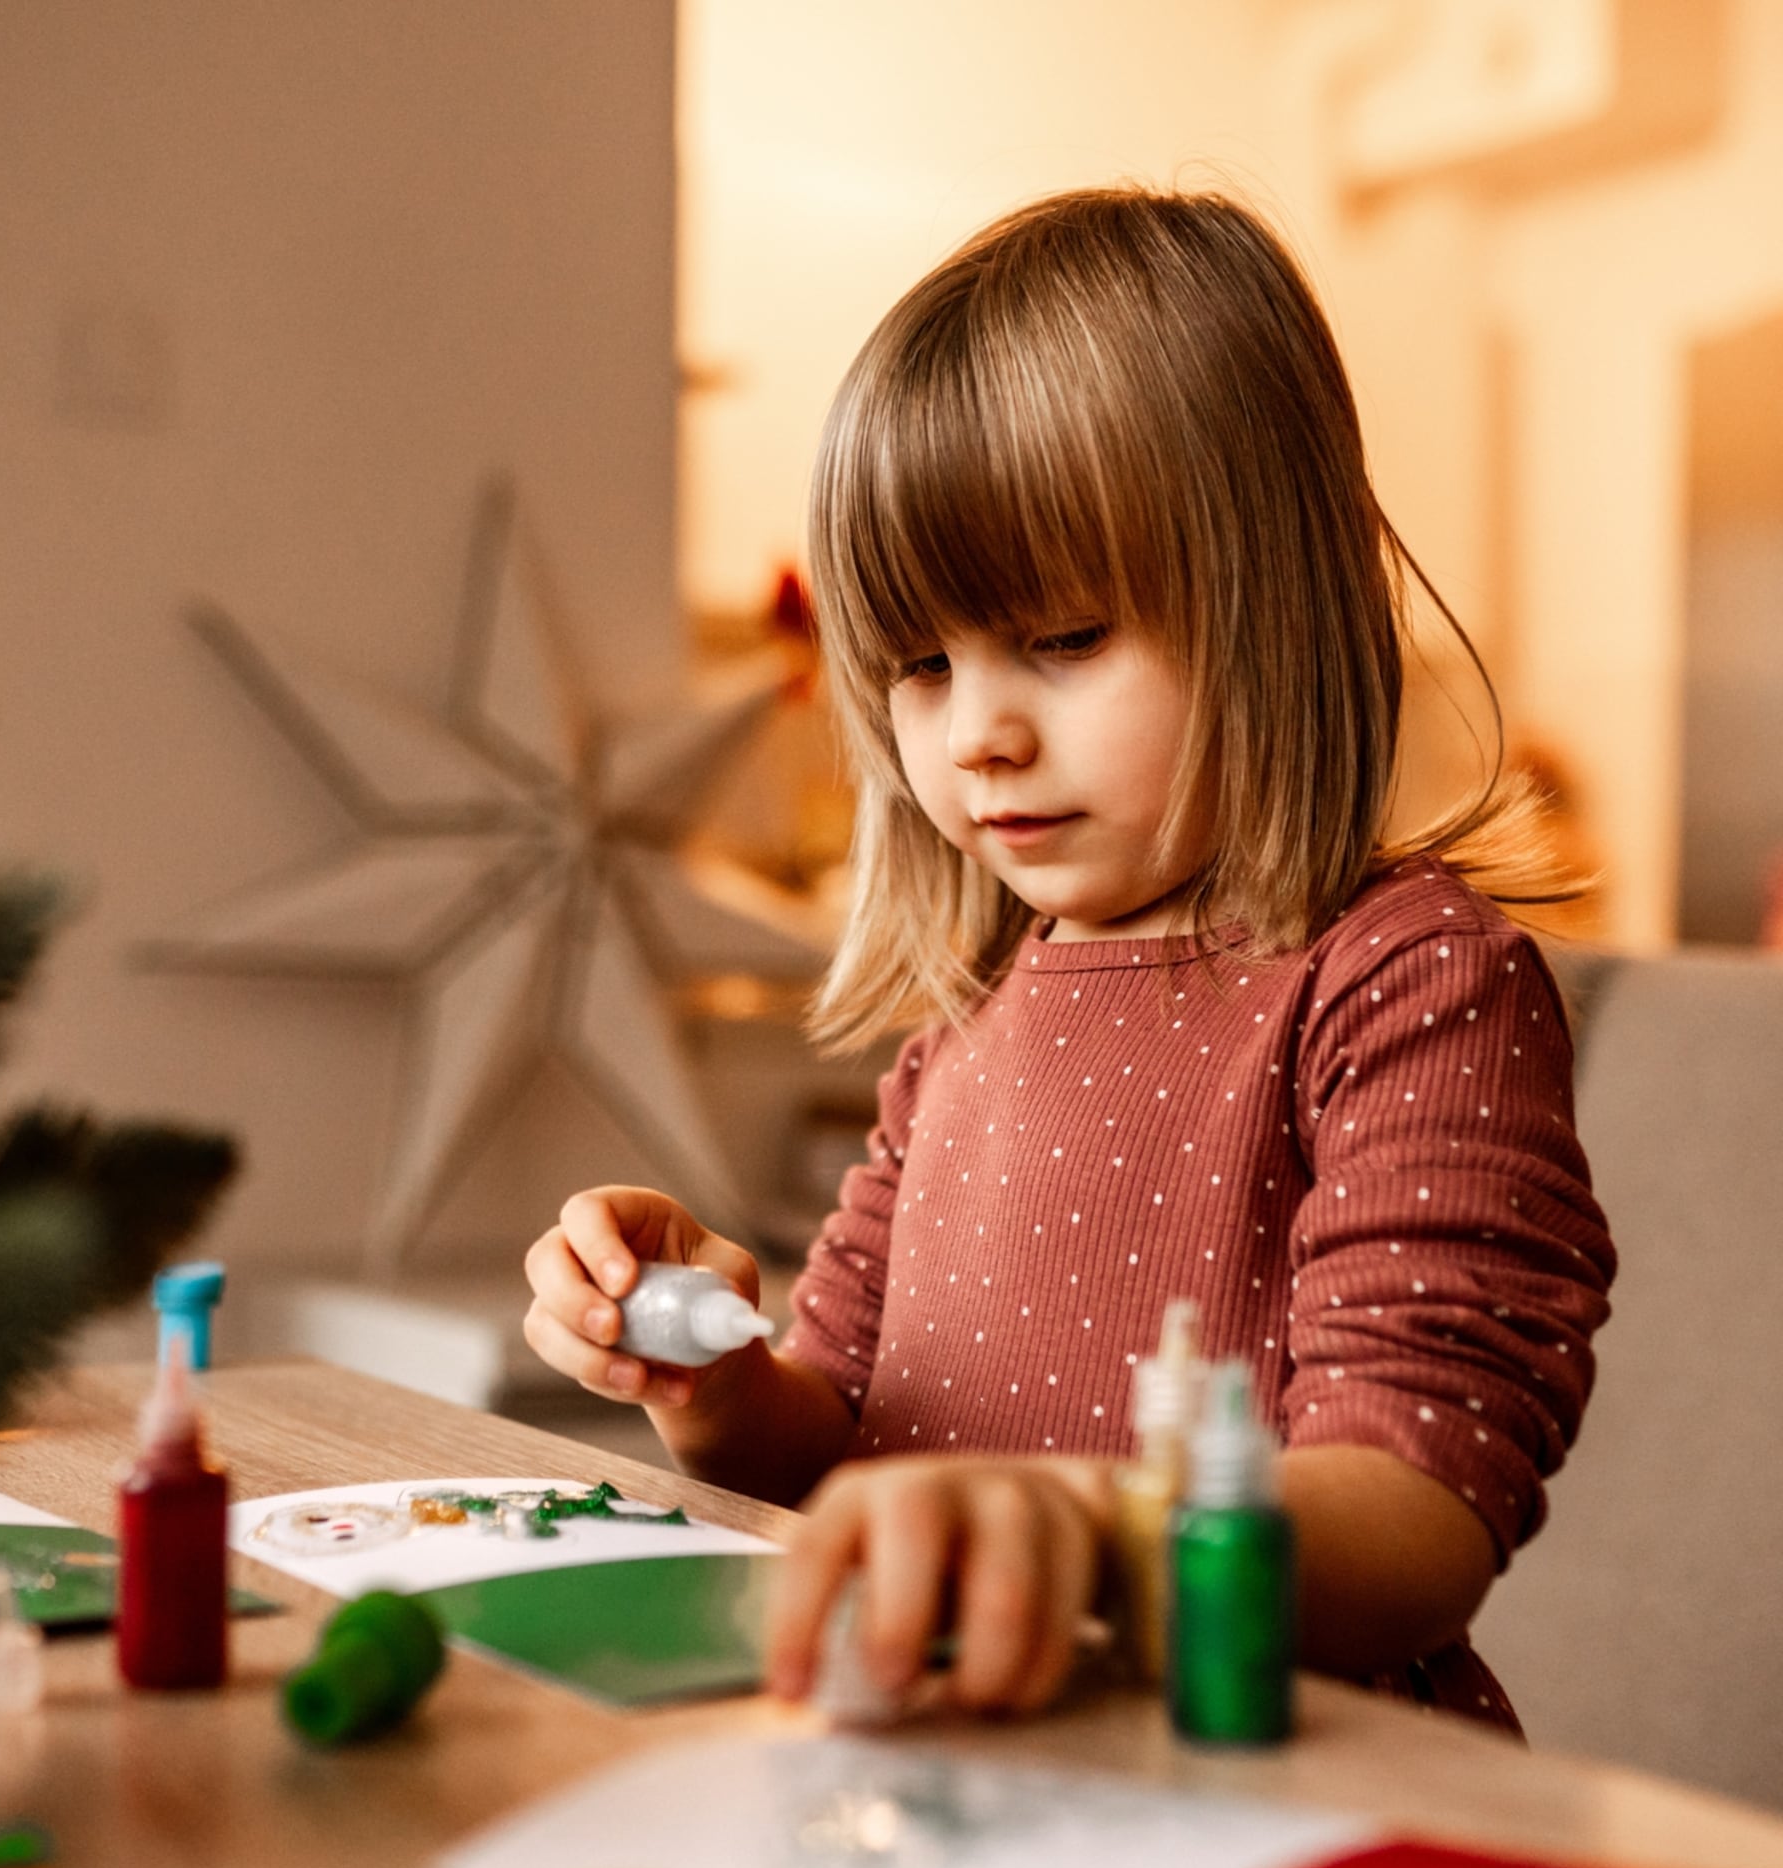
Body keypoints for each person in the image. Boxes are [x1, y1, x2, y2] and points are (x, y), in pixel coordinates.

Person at [523, 188, 1614, 1729]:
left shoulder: (1405, 981)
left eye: (1067, 636)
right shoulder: (966, 1028)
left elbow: (1421, 1511)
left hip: (1259, 1777)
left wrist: (1087, 1544)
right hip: (963, 1757)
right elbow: (835, 1443)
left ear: (1275, 601)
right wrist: (704, 1373)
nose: (977, 734)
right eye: (920, 665)